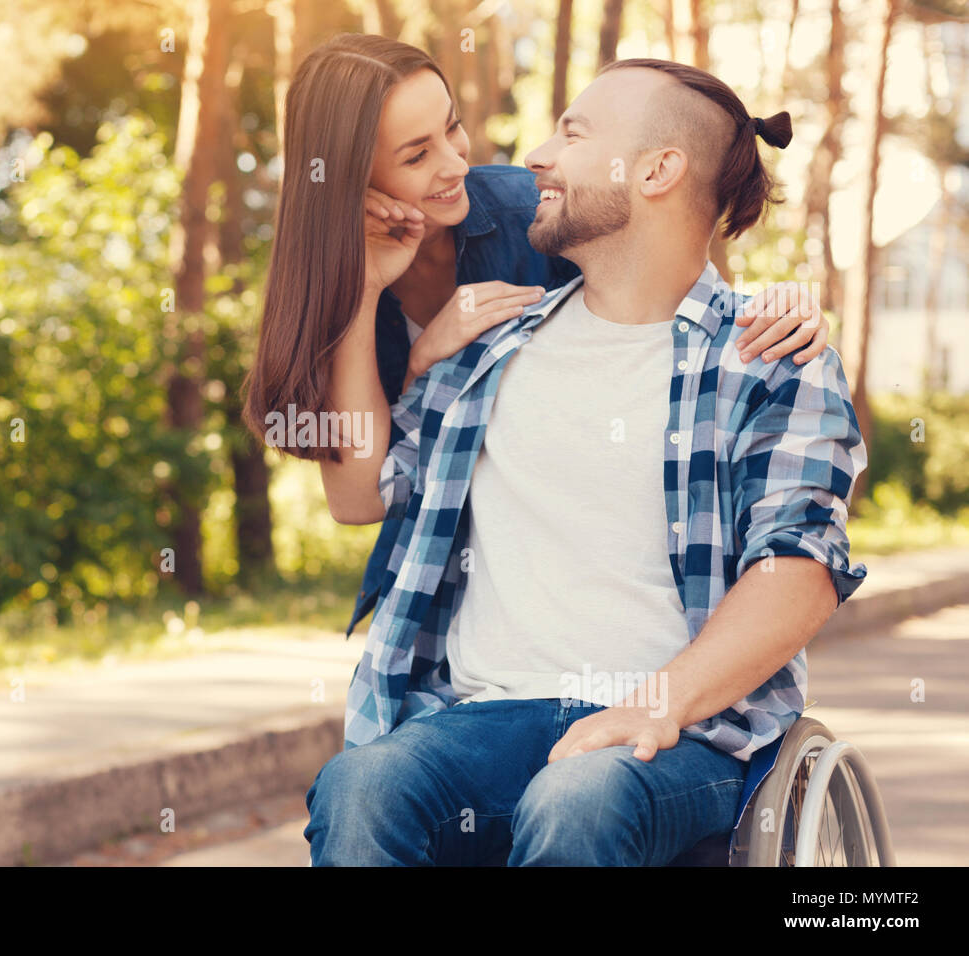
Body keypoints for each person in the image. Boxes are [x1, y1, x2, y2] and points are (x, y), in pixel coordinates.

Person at [303, 57, 868, 866]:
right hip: (482, 720)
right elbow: (367, 486)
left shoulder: (769, 357)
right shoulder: (490, 347)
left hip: (682, 737)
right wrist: (385, 316)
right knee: (363, 786)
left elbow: (801, 569)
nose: (534, 156)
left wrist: (652, 707)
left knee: (576, 796)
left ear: (657, 169)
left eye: (571, 132)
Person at [240, 33, 829, 647]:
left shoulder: (535, 213)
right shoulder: (327, 281)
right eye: (417, 156)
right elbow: (360, 498)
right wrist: (375, 306)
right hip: (450, 596)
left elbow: (677, 294)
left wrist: (776, 309)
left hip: (582, 584)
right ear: (348, 179)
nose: (456, 165)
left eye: (453, 128)